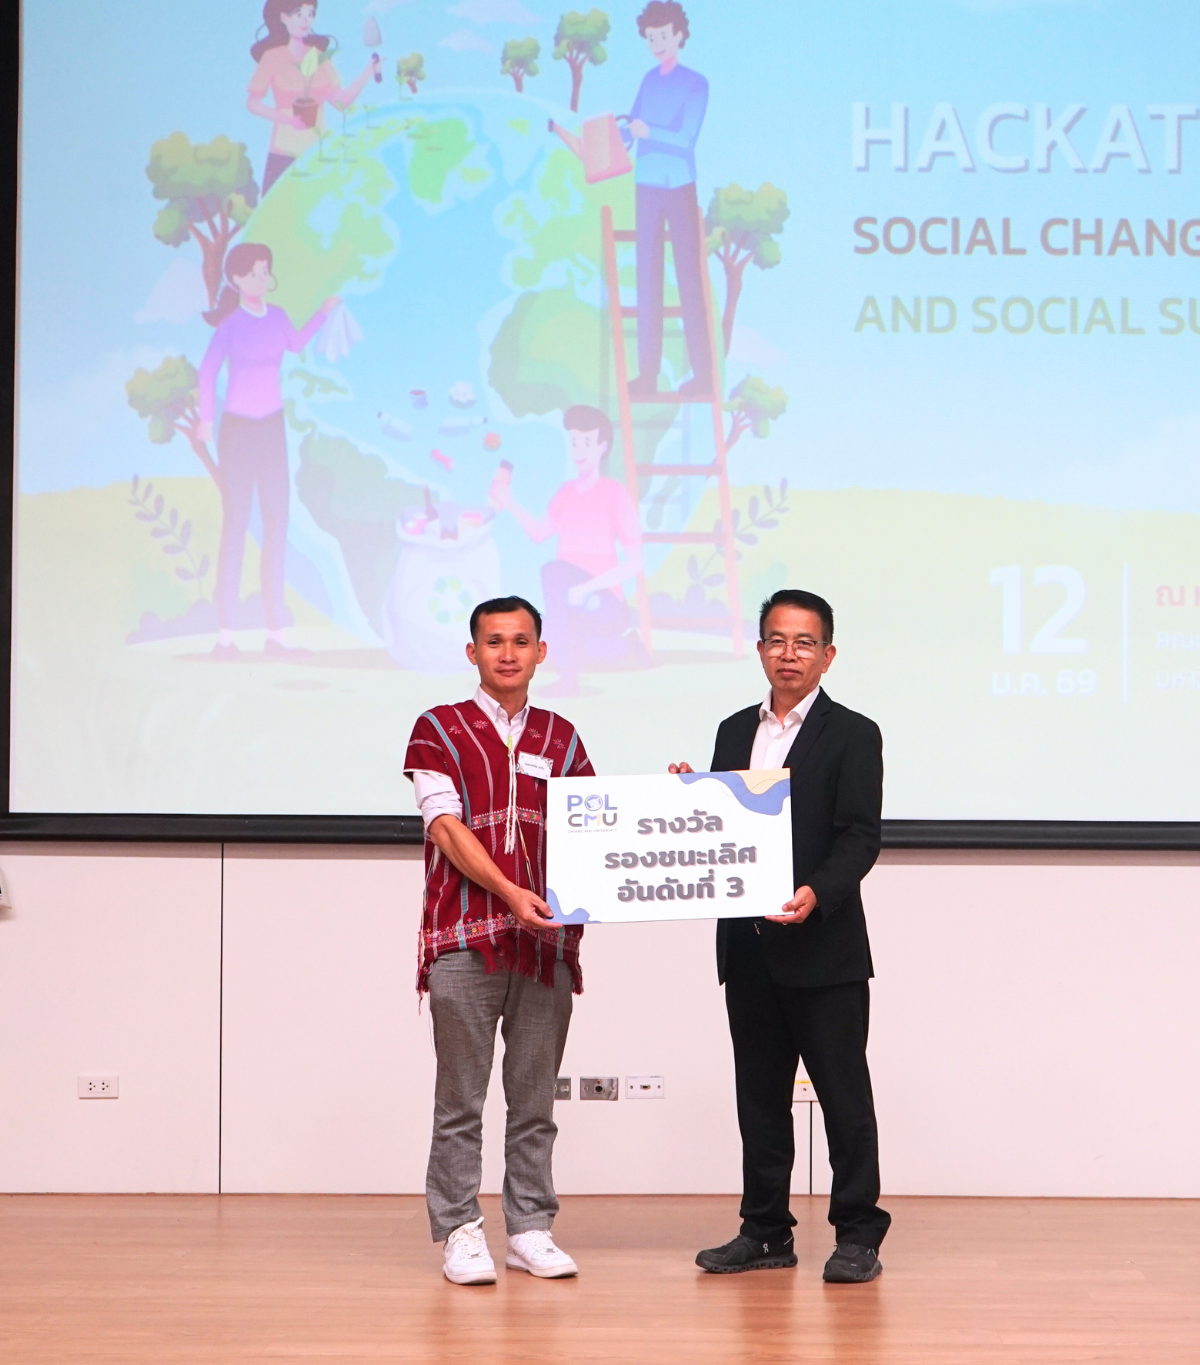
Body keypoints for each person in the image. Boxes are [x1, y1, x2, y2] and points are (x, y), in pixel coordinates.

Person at [669, 589, 888, 1284]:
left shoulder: (854, 733)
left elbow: (860, 837)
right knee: (760, 1100)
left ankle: (858, 1234)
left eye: (804, 642)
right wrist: (689, 799)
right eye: (776, 640)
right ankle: (765, 1231)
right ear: (760, 648)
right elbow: (725, 827)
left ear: (828, 654)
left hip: (824, 947)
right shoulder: (735, 729)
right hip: (749, 948)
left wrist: (815, 893)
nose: (788, 653)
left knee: (843, 1098)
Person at [402, 597, 596, 1286]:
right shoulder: (438, 729)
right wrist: (511, 892)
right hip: (464, 939)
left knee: (534, 1099)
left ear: (541, 651)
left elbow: (597, 829)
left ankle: (530, 1229)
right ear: (472, 652)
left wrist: (673, 802)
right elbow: (445, 828)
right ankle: (459, 1229)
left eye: (520, 641)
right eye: (493, 641)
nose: (507, 653)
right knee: (460, 1100)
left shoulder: (562, 737)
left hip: (545, 947)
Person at [194, 242, 339, 656]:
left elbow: (295, 343)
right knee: (236, 523)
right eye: (254, 273)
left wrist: (323, 313)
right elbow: (207, 371)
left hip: (271, 428)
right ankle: (226, 634)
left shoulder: (277, 317)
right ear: (236, 279)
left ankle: (276, 632)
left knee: (277, 522)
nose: (261, 279)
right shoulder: (231, 325)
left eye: (265, 271)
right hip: (238, 431)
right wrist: (206, 419)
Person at [488, 405, 645, 694]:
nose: (579, 450)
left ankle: (569, 680)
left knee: (553, 572)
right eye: (574, 442)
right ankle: (624, 648)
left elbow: (634, 563)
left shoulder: (614, 493)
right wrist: (508, 501)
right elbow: (539, 533)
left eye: (586, 442)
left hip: (602, 600)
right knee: (543, 627)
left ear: (602, 446)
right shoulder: (566, 493)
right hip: (571, 601)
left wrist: (586, 589)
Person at [625, 2, 713, 399]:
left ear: (679, 34)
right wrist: (614, 134)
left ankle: (704, 376)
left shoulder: (696, 84)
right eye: (650, 38)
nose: (657, 43)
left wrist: (648, 132)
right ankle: (647, 376)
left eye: (663, 35)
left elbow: (686, 139)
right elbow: (632, 127)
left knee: (688, 282)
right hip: (646, 186)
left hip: (678, 187)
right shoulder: (648, 79)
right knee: (647, 281)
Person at [246, 0, 380, 197]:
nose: (306, 20)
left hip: (318, 153)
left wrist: (368, 71)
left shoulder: (319, 56)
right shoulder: (272, 57)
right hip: (283, 153)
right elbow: (253, 102)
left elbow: (340, 102)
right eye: (299, 14)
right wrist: (287, 119)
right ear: (283, 17)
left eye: (311, 14)